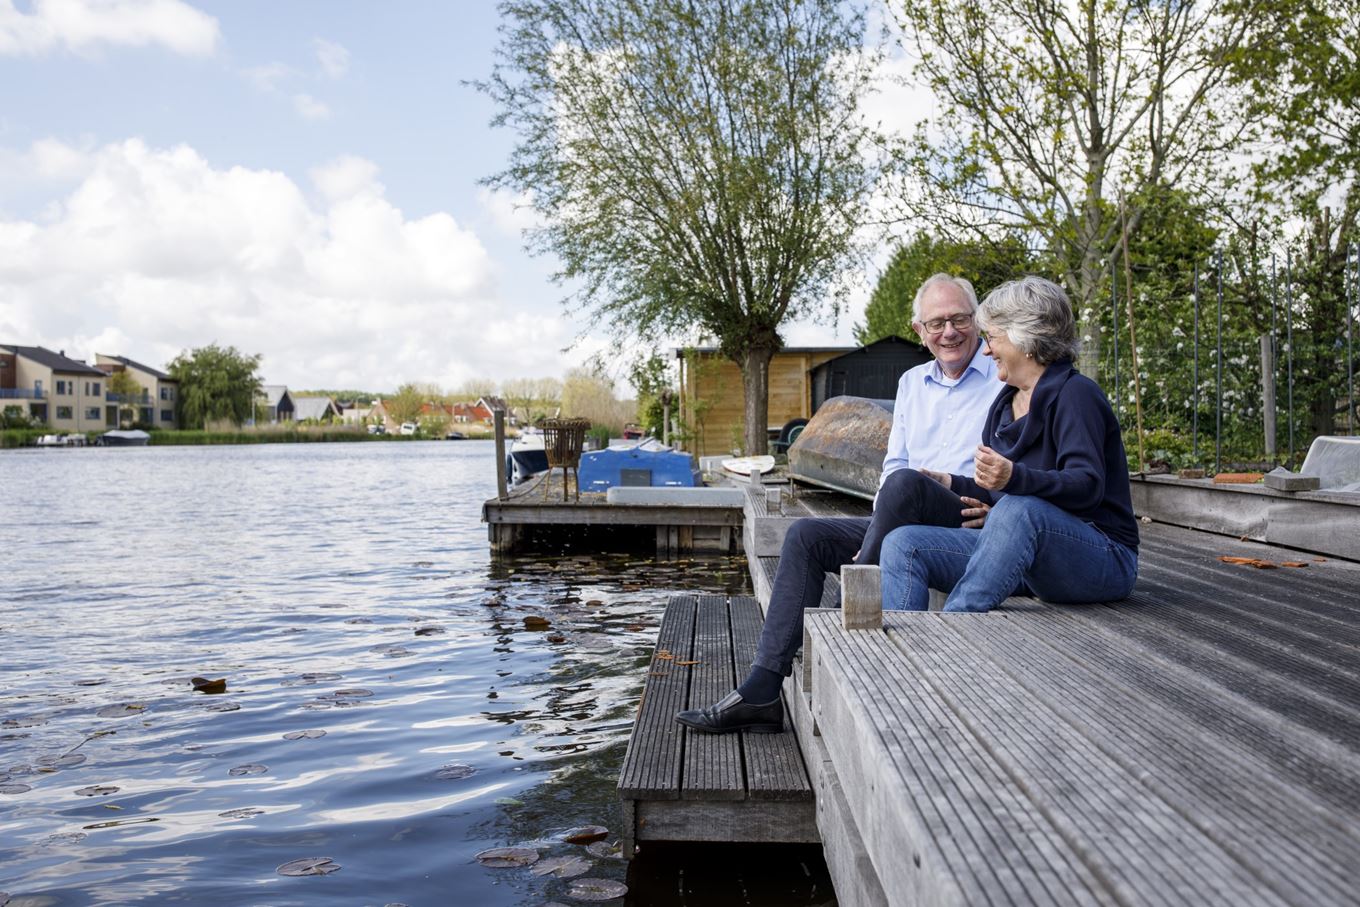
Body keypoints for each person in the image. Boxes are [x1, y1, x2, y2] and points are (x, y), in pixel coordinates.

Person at [676, 273, 998, 735]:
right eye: (937, 323)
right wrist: (882, 521)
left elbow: (1016, 463)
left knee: (905, 484)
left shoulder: (1000, 376)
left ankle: (854, 592)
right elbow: (896, 462)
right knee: (806, 535)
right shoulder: (911, 383)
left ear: (977, 320)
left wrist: (999, 507)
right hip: (902, 514)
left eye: (960, 319)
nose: (949, 332)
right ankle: (762, 689)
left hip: (964, 516)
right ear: (919, 331)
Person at [878, 275, 1139, 614]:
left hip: (1102, 557)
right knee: (902, 543)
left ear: (1025, 339)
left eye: (993, 338)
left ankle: (955, 624)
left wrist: (1013, 477)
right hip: (1027, 556)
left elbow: (1086, 486)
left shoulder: (1076, 394)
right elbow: (1000, 489)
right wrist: (953, 483)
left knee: (1020, 509)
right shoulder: (1005, 404)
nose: (986, 349)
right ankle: (900, 656)